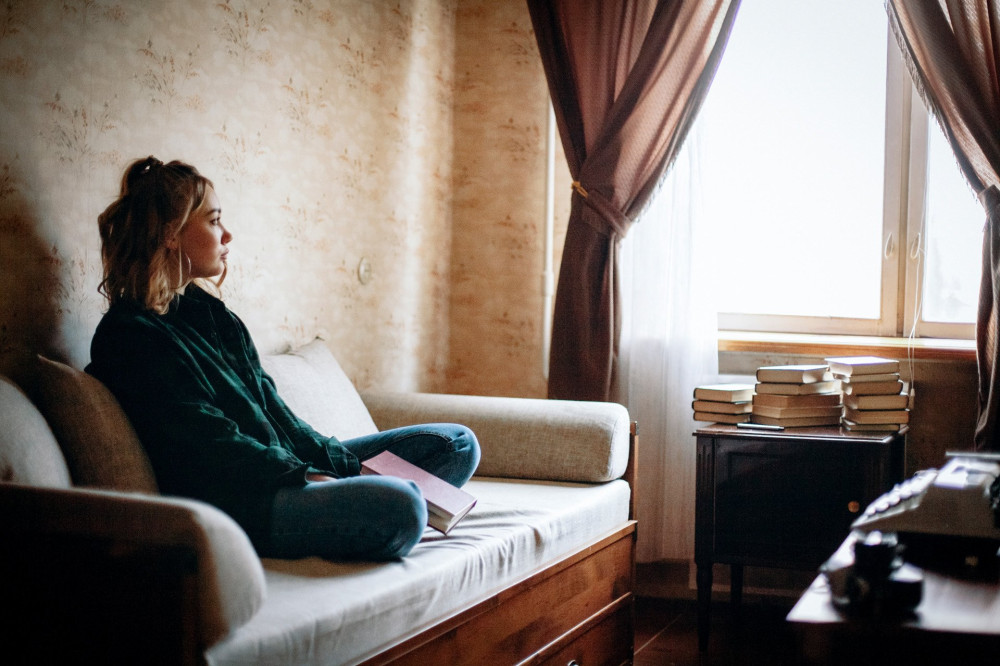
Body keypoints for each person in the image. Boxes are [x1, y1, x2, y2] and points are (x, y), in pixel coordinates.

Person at [86, 156, 480, 560]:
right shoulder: (130, 336)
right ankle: (369, 504)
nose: (227, 235)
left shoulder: (214, 316)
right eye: (214, 221)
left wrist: (344, 467)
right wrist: (305, 476)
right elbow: (210, 444)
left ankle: (361, 493)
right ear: (171, 234)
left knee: (456, 445)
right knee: (404, 506)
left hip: (284, 468)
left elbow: (278, 414)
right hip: (243, 500)